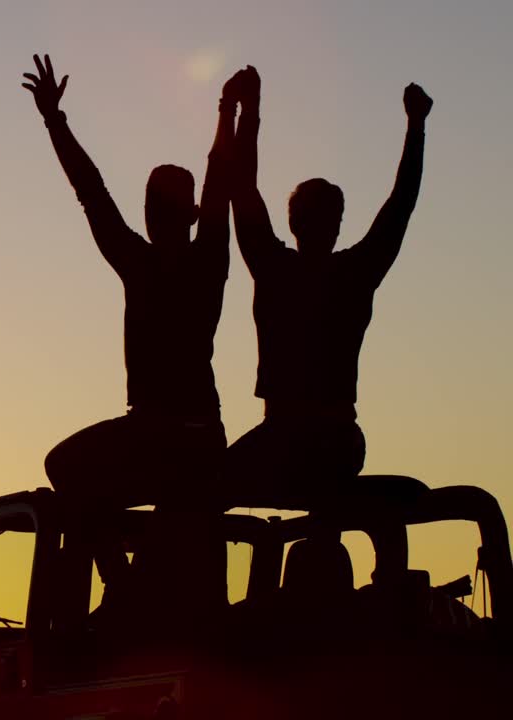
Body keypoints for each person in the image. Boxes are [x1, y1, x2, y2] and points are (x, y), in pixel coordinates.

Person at [23, 54, 247, 507]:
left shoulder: (155, 263)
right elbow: (216, 180)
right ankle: (132, 558)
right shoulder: (192, 259)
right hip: (198, 434)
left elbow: (94, 192)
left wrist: (54, 120)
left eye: (157, 203)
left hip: (163, 432)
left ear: (184, 214)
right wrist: (229, 109)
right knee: (76, 473)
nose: (150, 211)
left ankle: (118, 573)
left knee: (64, 468)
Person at [226, 66, 433, 504]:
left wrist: (250, 110)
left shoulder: (276, 266)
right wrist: (416, 126)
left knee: (200, 493)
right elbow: (401, 205)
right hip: (333, 441)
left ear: (293, 222)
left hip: (299, 439)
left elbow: (242, 188)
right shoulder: (351, 272)